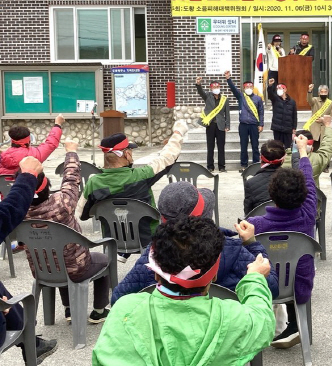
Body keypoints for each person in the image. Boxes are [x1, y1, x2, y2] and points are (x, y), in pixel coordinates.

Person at [92, 217, 276, 365]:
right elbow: (263, 319)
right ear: (213, 276)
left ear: (156, 274)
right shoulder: (233, 319)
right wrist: (254, 279)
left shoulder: (124, 311)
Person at [111, 181, 278, 305]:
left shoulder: (154, 254)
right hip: (229, 340)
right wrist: (251, 243)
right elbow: (272, 287)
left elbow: (118, 298)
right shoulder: (232, 249)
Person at [21, 141, 111, 323]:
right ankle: (99, 310)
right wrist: (71, 152)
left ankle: (70, 309)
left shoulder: (18, 212)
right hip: (75, 268)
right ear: (46, 187)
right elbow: (71, 178)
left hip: (40, 270)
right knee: (103, 260)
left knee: (55, 257)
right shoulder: (62, 202)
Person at [77, 121, 187, 262]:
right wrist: (178, 132)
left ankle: (122, 253)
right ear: (126, 154)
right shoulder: (141, 175)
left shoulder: (93, 182)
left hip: (112, 240)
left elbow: (82, 214)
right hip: (147, 239)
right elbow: (167, 158)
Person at [246, 134, 317, 349]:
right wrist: (302, 151)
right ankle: (295, 325)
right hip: (300, 284)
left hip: (266, 285)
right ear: (304, 195)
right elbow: (309, 180)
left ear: (272, 195)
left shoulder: (255, 224)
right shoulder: (308, 213)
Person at [0, 156, 57, 364]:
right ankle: (31, 341)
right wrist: (27, 177)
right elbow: (7, 213)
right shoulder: (62, 204)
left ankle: (31, 342)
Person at [225, 70, 264, 173]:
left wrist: (261, 124)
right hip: (243, 125)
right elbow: (233, 89)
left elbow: (261, 112)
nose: (249, 89)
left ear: (253, 88)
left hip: (254, 125)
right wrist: (228, 79)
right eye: (247, 87)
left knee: (255, 145)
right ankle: (244, 165)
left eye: (250, 87)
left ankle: (256, 164)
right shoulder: (241, 96)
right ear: (244, 88)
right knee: (243, 145)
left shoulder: (258, 99)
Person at [0, 114, 65, 175]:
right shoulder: (35, 154)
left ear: (12, 140)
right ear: (28, 140)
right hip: (29, 186)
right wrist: (57, 124)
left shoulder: (2, 156)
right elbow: (51, 143)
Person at [288, 114, 332, 187]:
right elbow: (328, 146)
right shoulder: (317, 160)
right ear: (312, 148)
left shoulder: (283, 159)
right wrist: (327, 125)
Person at [196, 77, 230, 173]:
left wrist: (227, 125)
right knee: (210, 146)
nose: (216, 88)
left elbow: (227, 113)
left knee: (221, 146)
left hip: (221, 125)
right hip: (210, 125)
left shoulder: (224, 99)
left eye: (218, 86)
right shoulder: (207, 96)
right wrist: (198, 84)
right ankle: (210, 166)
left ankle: (222, 166)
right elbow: (200, 92)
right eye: (214, 87)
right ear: (211, 88)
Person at [243, 139, 286, 215]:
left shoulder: (250, 183)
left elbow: (248, 213)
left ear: (261, 158)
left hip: (260, 224)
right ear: (283, 160)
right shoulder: (293, 180)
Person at [267, 79, 297, 149]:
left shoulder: (292, 102)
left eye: (280, 88)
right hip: (277, 128)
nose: (278, 90)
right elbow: (270, 93)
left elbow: (294, 116)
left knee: (287, 148)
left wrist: (294, 128)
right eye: (277, 88)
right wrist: (270, 85)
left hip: (288, 129)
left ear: (285, 90)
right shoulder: (275, 99)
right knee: (277, 147)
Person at [305, 83, 332, 152]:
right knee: (313, 149)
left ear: (327, 93)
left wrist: (324, 119)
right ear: (319, 93)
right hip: (315, 129)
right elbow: (309, 100)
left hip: (324, 129)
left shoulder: (330, 103)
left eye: (325, 92)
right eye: (322, 92)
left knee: (324, 149)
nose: (323, 93)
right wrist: (309, 91)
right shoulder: (315, 100)